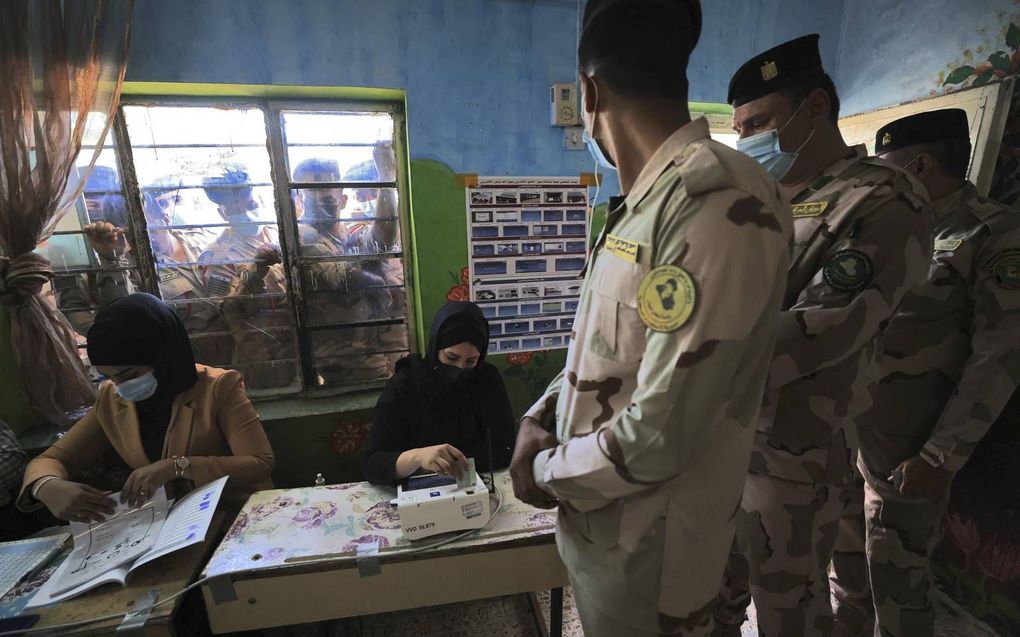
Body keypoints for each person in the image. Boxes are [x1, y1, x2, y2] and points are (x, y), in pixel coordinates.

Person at [510, 1, 793, 635]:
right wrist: (540, 415)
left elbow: (664, 432)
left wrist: (544, 470)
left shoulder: (715, 202)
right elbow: (609, 350)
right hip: (607, 544)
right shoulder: (643, 206)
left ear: (589, 91)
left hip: (654, 563)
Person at [712, 35, 933, 637]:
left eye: (759, 123)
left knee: (789, 616)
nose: (748, 140)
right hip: (716, 442)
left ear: (814, 109)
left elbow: (821, 330)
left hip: (794, 457)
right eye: (740, 128)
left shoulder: (884, 198)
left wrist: (681, 362)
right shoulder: (750, 200)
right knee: (707, 604)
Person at [826, 110, 1020, 637]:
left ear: (920, 164)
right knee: (846, 574)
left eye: (888, 170)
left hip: (910, 449)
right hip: (850, 433)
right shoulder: (884, 225)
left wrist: (942, 455)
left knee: (898, 585)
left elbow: (1000, 354)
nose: (880, 182)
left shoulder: (990, 233)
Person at [16, 294, 275, 520]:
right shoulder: (112, 399)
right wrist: (46, 486)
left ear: (161, 356)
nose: (120, 386)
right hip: (166, 524)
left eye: (130, 375)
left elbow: (259, 463)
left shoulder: (218, 388)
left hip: (232, 513)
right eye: (109, 377)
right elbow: (53, 459)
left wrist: (177, 466)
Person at [362, 302, 514, 486]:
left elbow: (505, 448)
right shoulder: (405, 384)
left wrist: (448, 461)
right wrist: (418, 457)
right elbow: (372, 464)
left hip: (474, 487)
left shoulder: (486, 379)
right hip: (418, 493)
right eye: (451, 358)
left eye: (471, 361)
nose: (460, 369)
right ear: (435, 349)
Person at [292, 152, 403, 386]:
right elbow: (344, 277)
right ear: (299, 202)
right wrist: (378, 284)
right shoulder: (300, 239)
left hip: (382, 362)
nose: (321, 197)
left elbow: (383, 238)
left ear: (342, 201)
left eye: (327, 193)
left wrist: (387, 176)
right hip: (345, 370)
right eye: (312, 193)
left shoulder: (348, 236)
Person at [199, 163, 297, 391]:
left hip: (297, 345)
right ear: (222, 213)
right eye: (236, 209)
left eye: (251, 204)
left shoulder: (279, 234)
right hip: (264, 360)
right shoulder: (217, 256)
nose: (247, 212)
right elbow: (229, 308)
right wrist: (257, 270)